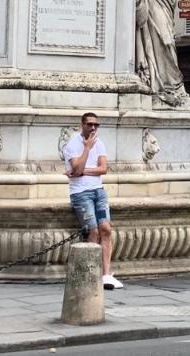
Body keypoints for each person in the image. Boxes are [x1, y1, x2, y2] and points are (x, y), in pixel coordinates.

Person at [63, 112, 121, 290]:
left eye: (96, 124)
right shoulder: (72, 145)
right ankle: (92, 273)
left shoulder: (100, 143)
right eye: (90, 124)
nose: (93, 128)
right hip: (81, 193)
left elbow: (103, 169)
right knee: (93, 231)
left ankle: (106, 275)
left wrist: (81, 172)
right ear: (82, 125)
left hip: (98, 191)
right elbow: (77, 167)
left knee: (106, 229)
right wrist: (87, 148)